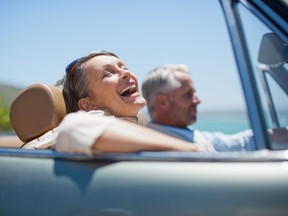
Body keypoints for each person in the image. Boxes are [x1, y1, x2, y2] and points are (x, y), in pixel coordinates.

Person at [54, 50, 209, 155]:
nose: (126, 73)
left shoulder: (134, 130)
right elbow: (73, 128)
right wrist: (191, 150)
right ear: (88, 105)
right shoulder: (87, 123)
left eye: (124, 67)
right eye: (108, 73)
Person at [141, 64, 256, 152]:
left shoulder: (192, 135)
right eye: (188, 95)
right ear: (163, 102)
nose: (197, 101)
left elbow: (237, 143)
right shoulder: (155, 144)